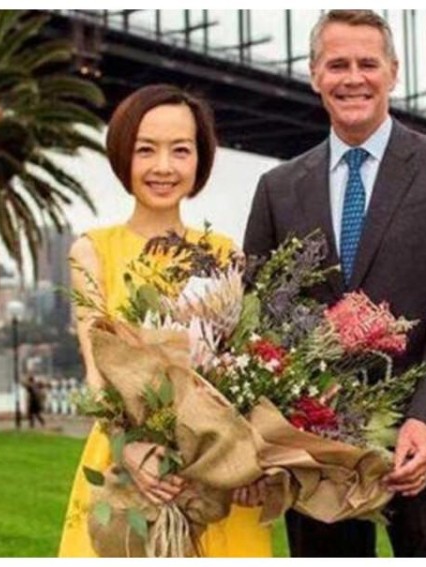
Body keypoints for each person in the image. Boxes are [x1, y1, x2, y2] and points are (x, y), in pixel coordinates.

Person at [243, 10, 426, 558]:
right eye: (337, 65)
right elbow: (258, 318)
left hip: (425, 448)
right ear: (314, 74)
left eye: (368, 63)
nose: (353, 78)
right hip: (314, 453)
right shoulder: (276, 188)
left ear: (393, 72)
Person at [58, 84, 272, 557]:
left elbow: (245, 369)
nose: (163, 167)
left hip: (215, 472)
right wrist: (130, 447)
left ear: (200, 159)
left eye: (180, 150)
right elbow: (97, 371)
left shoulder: (225, 254)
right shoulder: (93, 251)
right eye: (145, 150)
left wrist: (252, 461)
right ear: (122, 155)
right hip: (127, 464)